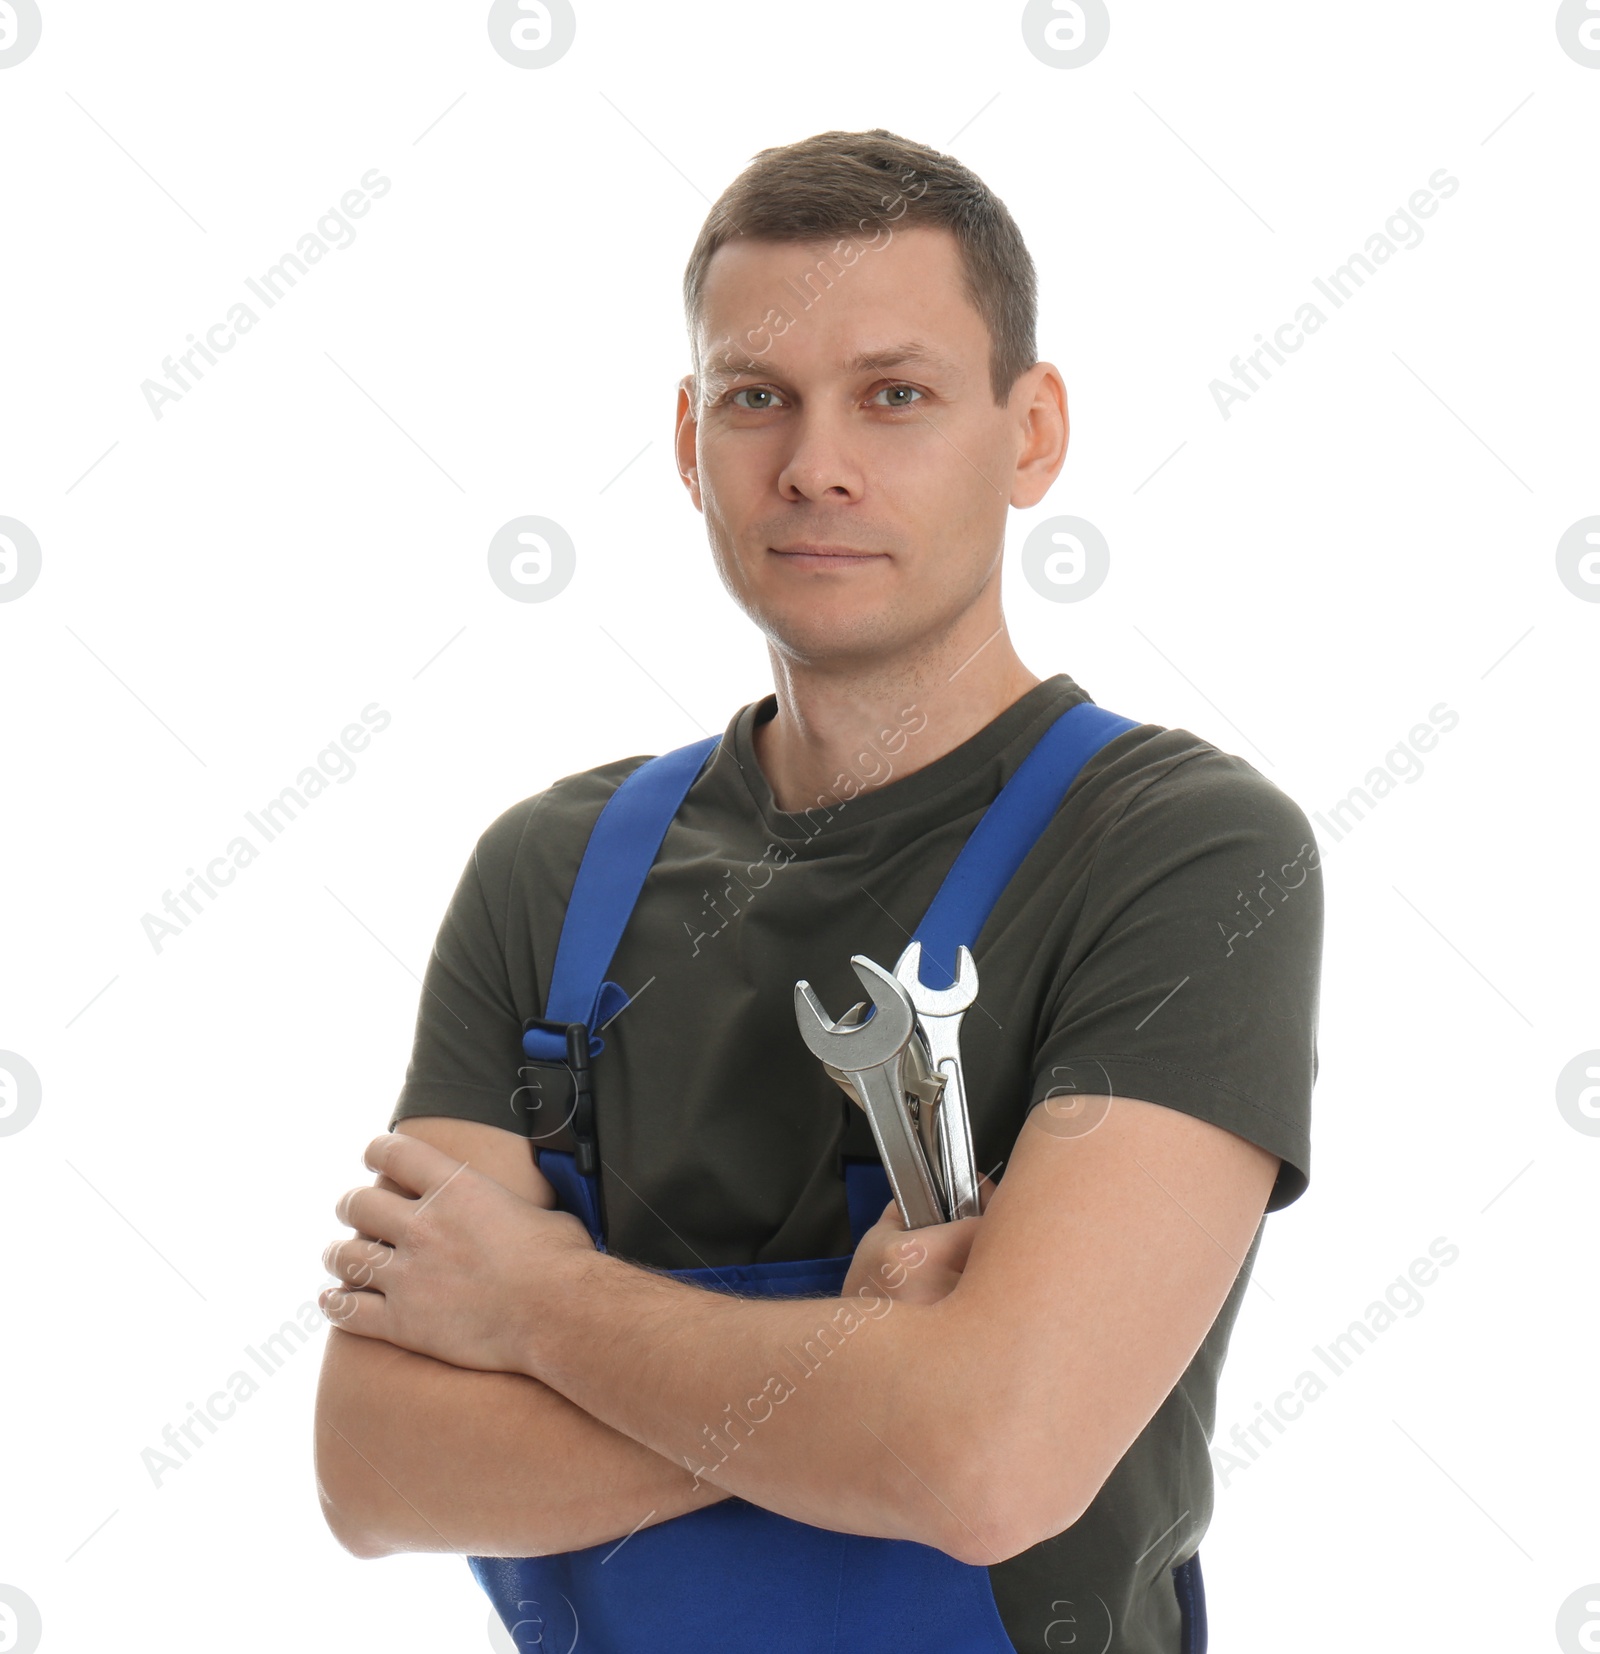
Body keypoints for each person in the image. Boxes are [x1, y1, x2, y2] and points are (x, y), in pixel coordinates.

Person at [313, 128, 1322, 1654]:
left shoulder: (1183, 851)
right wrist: (871, 1381)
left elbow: (991, 1464)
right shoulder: (553, 867)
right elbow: (375, 1465)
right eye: (756, 399)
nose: (816, 463)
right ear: (686, 438)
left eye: (895, 394)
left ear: (1032, 432)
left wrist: (533, 1314)